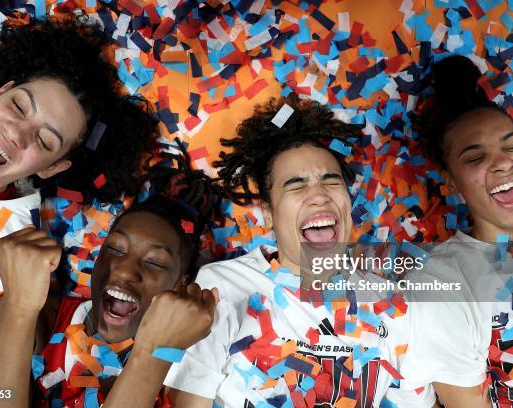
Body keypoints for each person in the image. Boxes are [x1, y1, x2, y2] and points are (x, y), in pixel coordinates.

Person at [164, 97, 437, 407]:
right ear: (268, 212)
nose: (318, 195)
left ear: (348, 202)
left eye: (330, 180)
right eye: (296, 185)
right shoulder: (222, 285)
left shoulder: (394, 304)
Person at [0, 16, 157, 384]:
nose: (16, 134)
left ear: (52, 168)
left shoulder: (4, 257)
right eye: (19, 107)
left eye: (44, 141)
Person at [0, 154, 222, 407]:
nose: (125, 271)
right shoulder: (32, 312)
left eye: (155, 262)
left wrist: (155, 352)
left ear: (181, 284)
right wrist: (19, 307)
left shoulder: (185, 371)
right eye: (115, 249)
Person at [398, 55, 513, 407]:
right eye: (474, 157)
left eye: (512, 144)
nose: (501, 162)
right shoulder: (441, 282)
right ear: (450, 182)